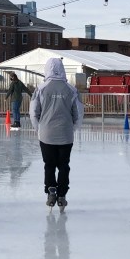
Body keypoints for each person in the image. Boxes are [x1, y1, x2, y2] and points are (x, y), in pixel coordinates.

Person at [29, 57, 82, 208]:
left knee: (49, 165)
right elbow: (78, 114)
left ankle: (51, 189)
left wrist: (39, 129)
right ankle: (62, 194)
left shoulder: (40, 89)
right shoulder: (72, 90)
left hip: (46, 135)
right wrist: (71, 129)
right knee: (64, 165)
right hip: (66, 135)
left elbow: (33, 113)